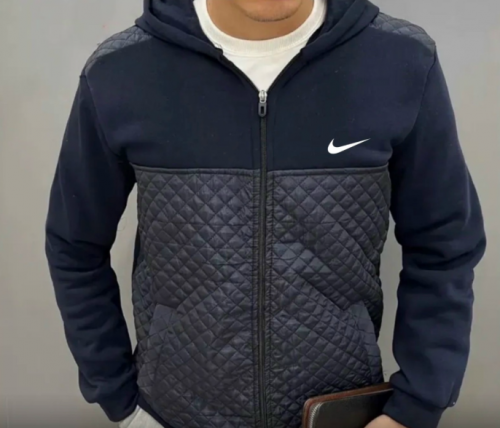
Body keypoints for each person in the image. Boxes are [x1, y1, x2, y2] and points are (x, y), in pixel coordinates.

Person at [45, 0, 486, 427]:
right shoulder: (122, 69)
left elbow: (444, 243)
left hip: (337, 414)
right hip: (172, 413)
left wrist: (415, 407)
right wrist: (121, 402)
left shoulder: (400, 61)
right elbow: (75, 245)